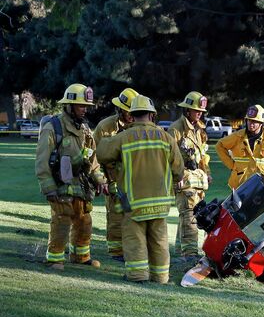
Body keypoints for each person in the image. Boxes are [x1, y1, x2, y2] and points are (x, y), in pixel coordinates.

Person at [96, 95, 184, 284]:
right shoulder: (167, 138)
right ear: (152, 115)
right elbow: (179, 171)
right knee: (159, 241)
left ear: (132, 114)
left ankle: (137, 276)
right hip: (160, 203)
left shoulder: (123, 137)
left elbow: (102, 154)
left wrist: (107, 140)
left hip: (133, 202)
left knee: (134, 240)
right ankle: (161, 277)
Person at [35, 83, 108, 270]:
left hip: (81, 186)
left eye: (87, 106)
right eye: (81, 105)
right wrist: (48, 187)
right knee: (62, 220)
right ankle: (55, 258)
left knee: (84, 221)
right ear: (68, 105)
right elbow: (42, 161)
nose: (85, 109)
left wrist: (100, 180)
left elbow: (93, 161)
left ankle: (80, 257)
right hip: (60, 185)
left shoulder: (85, 130)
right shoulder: (53, 127)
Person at [93, 87, 138, 261]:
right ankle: (116, 252)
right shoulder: (105, 127)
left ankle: (134, 249)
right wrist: (103, 180)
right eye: (128, 111)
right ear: (120, 109)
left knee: (135, 217)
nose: (131, 115)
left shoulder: (139, 127)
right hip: (113, 179)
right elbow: (94, 157)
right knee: (115, 216)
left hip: (135, 180)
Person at [168, 91, 212, 259]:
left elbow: (202, 155)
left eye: (201, 111)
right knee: (189, 216)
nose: (199, 113)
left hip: (198, 181)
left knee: (188, 216)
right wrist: (176, 177)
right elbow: (169, 156)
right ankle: (190, 255)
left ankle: (180, 252)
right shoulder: (175, 129)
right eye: (196, 110)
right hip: (184, 181)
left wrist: (207, 173)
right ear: (187, 110)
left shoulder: (199, 129)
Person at [216, 104, 264, 189]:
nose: (250, 124)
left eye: (254, 121)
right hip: (240, 185)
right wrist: (231, 165)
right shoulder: (237, 136)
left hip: (263, 186)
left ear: (261, 123)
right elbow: (220, 145)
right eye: (249, 120)